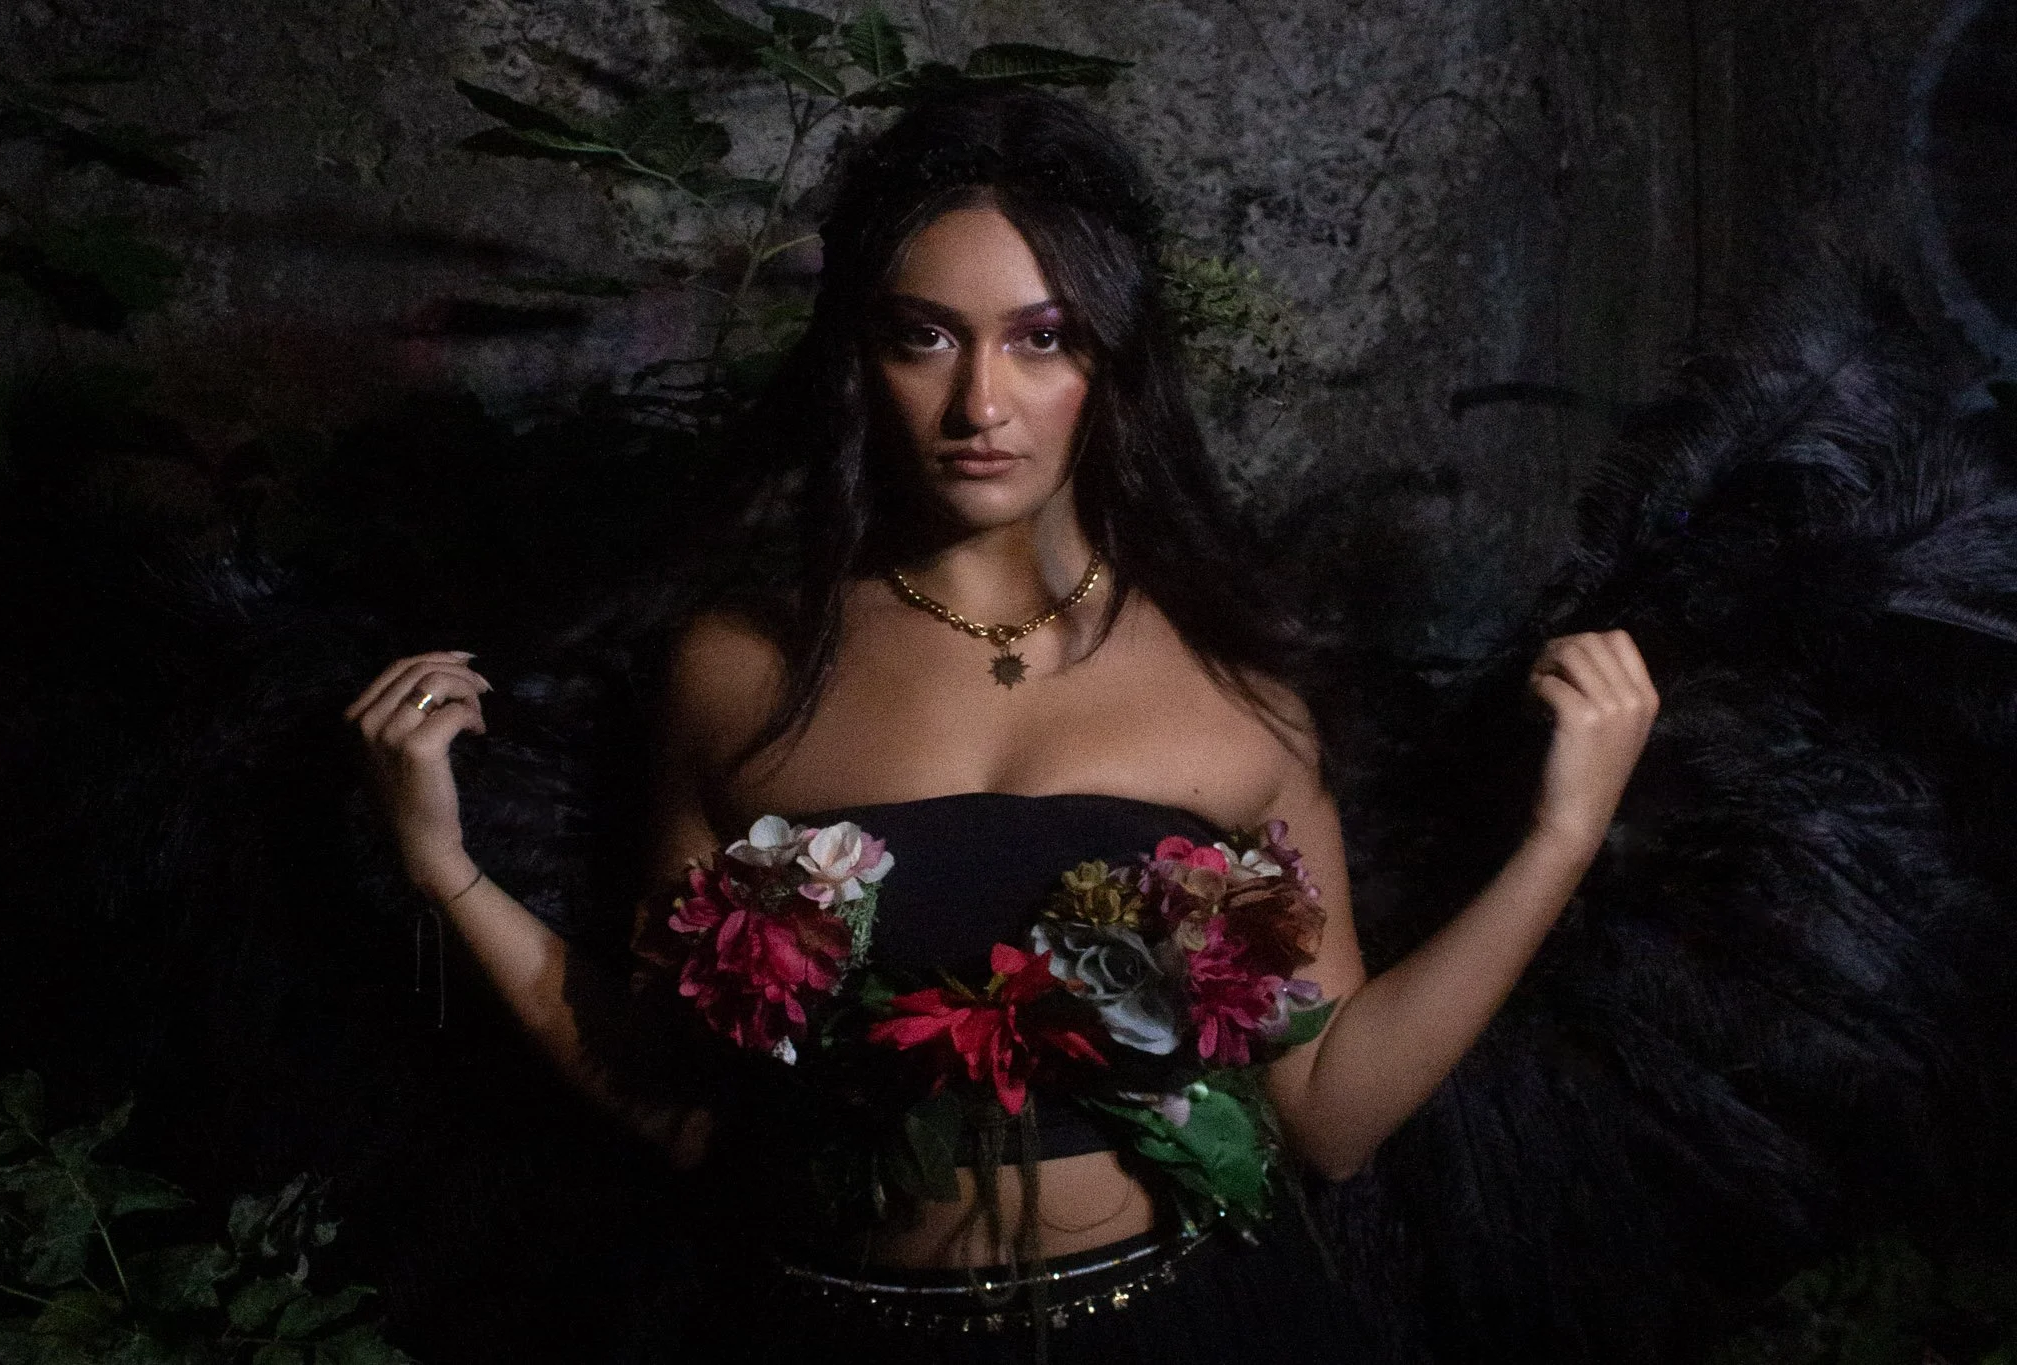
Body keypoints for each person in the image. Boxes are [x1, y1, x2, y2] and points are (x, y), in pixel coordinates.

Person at [344, 88, 1658, 1361]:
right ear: (860, 355)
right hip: (826, 1329)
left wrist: (1560, 836)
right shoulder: (740, 670)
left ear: (1111, 360)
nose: (981, 405)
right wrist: (445, 869)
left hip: (1176, 1328)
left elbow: (1326, 1118)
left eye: (1042, 338)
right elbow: (680, 1104)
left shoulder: (1231, 686)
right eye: (925, 336)